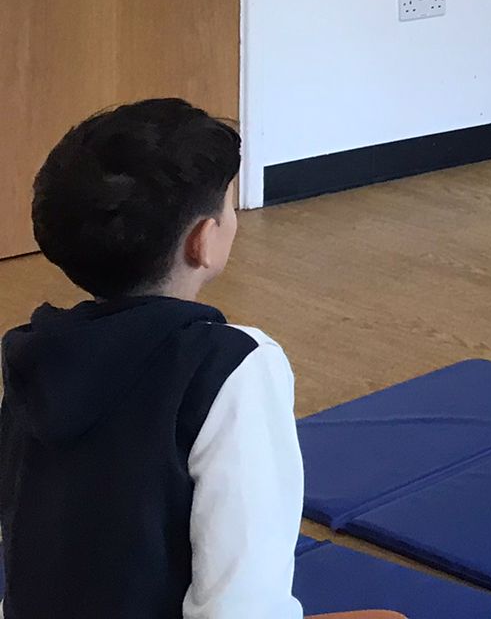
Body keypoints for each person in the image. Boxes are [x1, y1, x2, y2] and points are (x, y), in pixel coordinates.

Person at [0, 99, 402, 619]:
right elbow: (241, 605)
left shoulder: (33, 351)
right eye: (229, 206)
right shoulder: (231, 365)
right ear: (204, 241)